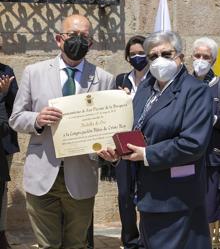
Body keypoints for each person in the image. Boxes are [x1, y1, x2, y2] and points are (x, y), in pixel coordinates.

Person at [98, 31, 213, 249]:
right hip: (147, 196)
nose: (159, 60)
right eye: (153, 56)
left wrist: (147, 154)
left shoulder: (195, 91)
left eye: (166, 53)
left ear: (180, 56)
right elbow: (134, 130)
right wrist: (117, 154)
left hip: (177, 199)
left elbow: (192, 144)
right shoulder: (145, 89)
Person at [9, 14, 115, 249]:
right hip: (42, 173)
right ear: (59, 39)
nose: (78, 41)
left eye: (84, 37)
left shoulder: (104, 79)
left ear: (91, 44)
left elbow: (109, 127)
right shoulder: (33, 72)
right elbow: (16, 118)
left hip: (80, 175)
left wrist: (110, 149)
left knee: (76, 243)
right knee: (47, 244)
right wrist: (37, 118)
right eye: (73, 35)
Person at [115, 35, 149, 249]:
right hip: (125, 143)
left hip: (147, 144)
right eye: (133, 53)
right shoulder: (121, 79)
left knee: (147, 191)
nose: (138, 57)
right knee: (124, 193)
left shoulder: (155, 80)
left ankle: (147, 237)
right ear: (128, 57)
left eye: (141, 53)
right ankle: (130, 239)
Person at [192, 37, 220, 242]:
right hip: (185, 159)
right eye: (197, 55)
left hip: (211, 159)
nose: (201, 60)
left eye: (206, 57)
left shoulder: (218, 85)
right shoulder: (181, 83)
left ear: (213, 60)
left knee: (209, 208)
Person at [0, 65, 19, 249]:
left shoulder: (6, 71)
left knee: (2, 188)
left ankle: (1, 232)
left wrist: (6, 92)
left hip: (4, 141)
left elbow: (17, 106)